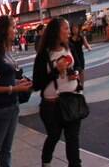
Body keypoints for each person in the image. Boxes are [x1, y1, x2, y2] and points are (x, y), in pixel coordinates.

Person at [0, 15, 33, 167]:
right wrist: (14, 88)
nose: (15, 31)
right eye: (13, 27)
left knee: (6, 150)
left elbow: (3, 77)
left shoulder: (5, 51)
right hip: (0, 109)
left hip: (12, 106)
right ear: (3, 30)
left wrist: (18, 82)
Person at [34, 17, 83, 167]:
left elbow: (79, 66)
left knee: (73, 140)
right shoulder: (44, 54)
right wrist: (56, 70)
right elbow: (37, 83)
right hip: (51, 106)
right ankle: (46, 162)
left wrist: (75, 75)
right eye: (66, 28)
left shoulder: (70, 48)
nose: (69, 32)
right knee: (54, 136)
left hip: (72, 101)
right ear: (56, 31)